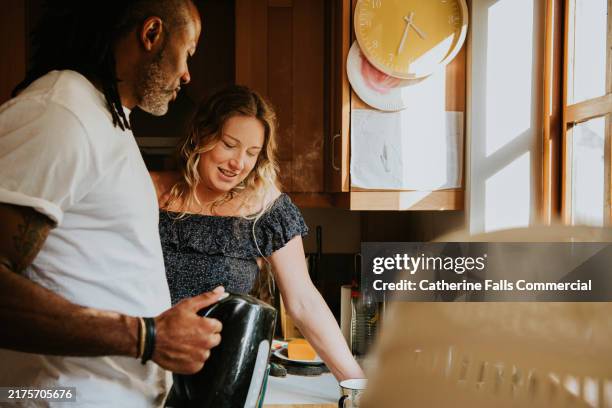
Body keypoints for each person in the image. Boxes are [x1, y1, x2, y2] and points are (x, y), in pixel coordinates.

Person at [0, 1, 224, 406]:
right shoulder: (59, 113)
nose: (188, 74)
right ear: (152, 34)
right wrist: (146, 336)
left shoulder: (102, 115)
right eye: (187, 52)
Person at [151, 85, 365, 381]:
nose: (238, 163)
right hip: (144, 367)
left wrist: (356, 382)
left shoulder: (263, 206)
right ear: (201, 134)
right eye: (228, 144)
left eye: (252, 153)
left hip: (224, 377)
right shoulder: (147, 190)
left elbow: (304, 301)